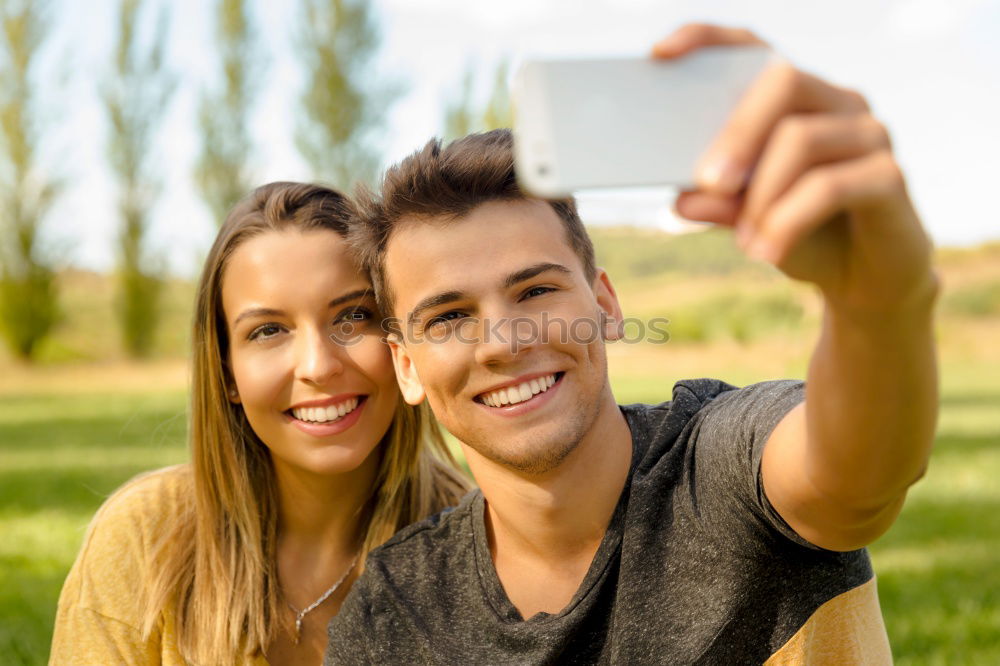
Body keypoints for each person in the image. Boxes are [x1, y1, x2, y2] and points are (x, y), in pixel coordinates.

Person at [324, 25, 938, 665]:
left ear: (606, 305)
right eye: (448, 317)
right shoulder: (394, 611)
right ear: (405, 365)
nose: (503, 342)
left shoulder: (721, 471)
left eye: (536, 292)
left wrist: (878, 298)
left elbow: (859, 473)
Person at [50, 182, 469, 665]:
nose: (317, 365)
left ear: (399, 343)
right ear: (227, 372)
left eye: (353, 316)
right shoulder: (144, 537)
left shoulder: (474, 547)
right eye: (268, 330)